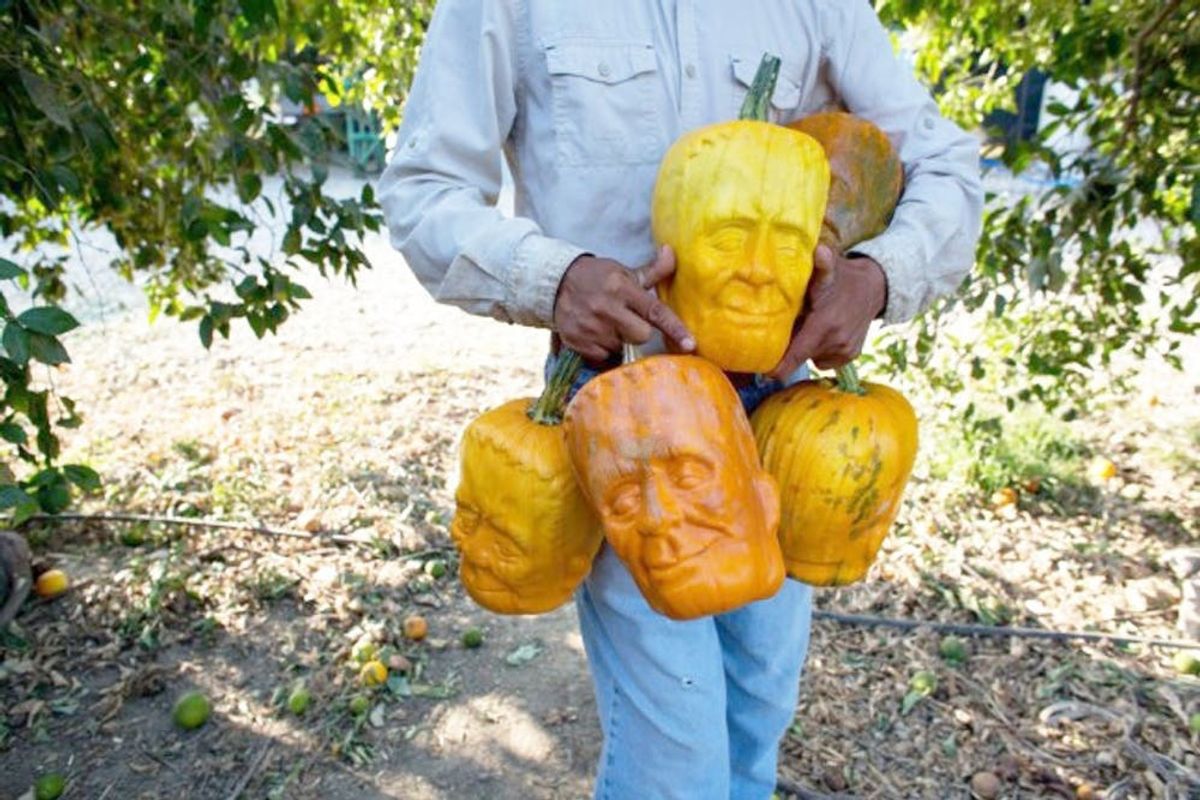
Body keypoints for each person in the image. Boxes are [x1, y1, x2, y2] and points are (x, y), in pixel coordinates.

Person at [378, 2, 982, 797]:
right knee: (678, 758)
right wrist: (554, 278)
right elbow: (424, 189)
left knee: (757, 716)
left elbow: (946, 162)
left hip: (777, 416)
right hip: (628, 417)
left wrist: (878, 277)